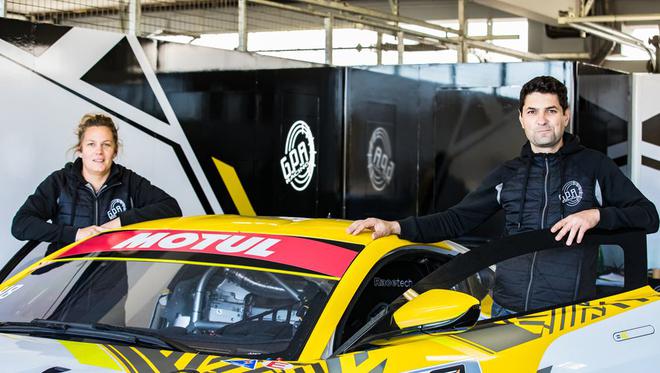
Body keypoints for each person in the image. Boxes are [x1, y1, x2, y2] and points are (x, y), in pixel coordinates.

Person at [347, 76, 659, 316]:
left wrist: (597, 215)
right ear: (522, 119)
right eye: (532, 112)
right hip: (506, 311)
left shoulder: (594, 167)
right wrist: (394, 226)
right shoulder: (507, 174)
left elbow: (648, 216)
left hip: (569, 314)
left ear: (566, 116)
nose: (542, 120)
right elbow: (456, 219)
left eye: (551, 111)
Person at [11, 113, 182, 255]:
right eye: (91, 144)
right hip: (61, 278)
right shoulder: (59, 181)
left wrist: (119, 223)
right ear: (80, 150)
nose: (99, 151)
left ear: (115, 151)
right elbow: (20, 225)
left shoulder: (128, 180)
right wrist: (76, 234)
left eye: (106, 145)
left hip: (110, 283)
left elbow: (171, 207)